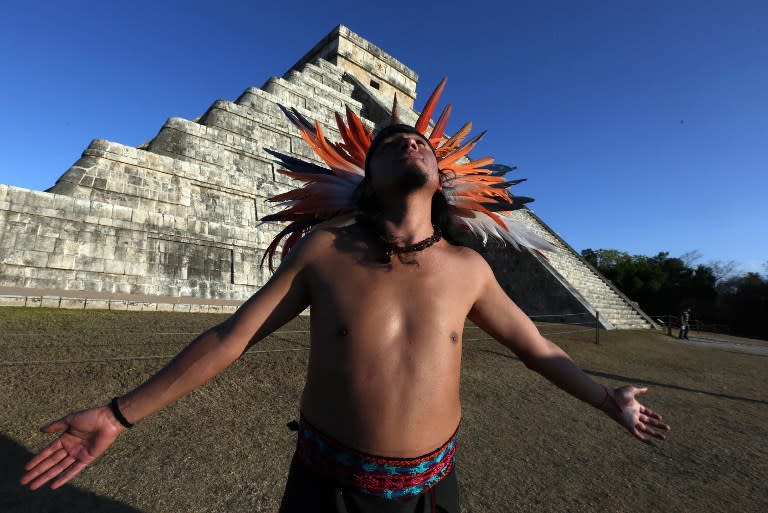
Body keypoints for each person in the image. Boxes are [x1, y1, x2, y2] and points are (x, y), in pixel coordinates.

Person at [21, 80, 669, 513]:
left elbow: (538, 348)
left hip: (433, 490)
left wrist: (604, 397)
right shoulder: (325, 250)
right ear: (368, 180)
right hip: (326, 486)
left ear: (441, 180)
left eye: (420, 143)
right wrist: (118, 412)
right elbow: (230, 338)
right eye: (390, 144)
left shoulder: (468, 267)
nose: (409, 141)